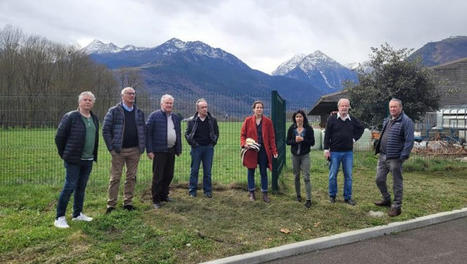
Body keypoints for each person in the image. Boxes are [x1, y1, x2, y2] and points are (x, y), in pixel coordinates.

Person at [54, 91, 98, 228]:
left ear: (93, 103)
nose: (87, 102)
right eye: (85, 99)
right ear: (79, 102)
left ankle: (77, 214)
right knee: (69, 186)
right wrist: (65, 154)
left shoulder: (94, 118)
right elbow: (59, 137)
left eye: (90, 100)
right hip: (73, 160)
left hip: (88, 159)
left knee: (81, 187)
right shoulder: (71, 116)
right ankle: (59, 217)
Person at [102, 87, 146, 214]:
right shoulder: (114, 111)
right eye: (129, 94)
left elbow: (143, 130)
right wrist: (111, 148)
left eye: (133, 94)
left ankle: (128, 203)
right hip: (118, 151)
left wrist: (141, 147)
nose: (132, 96)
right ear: (122, 96)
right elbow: (105, 130)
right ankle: (111, 205)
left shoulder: (139, 112)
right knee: (115, 177)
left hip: (134, 150)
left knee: (131, 177)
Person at [374, 98, 414, 217]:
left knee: (397, 182)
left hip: (395, 158)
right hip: (383, 156)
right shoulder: (388, 120)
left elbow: (409, 141)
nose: (392, 109)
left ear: (400, 108)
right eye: (391, 107)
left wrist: (403, 156)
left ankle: (397, 206)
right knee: (379, 179)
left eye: (395, 107)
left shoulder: (406, 121)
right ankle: (386, 199)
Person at [323, 98, 364, 206]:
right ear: (338, 107)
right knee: (332, 175)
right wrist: (326, 149)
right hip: (335, 152)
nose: (344, 108)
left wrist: (354, 138)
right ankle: (332, 195)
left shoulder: (352, 120)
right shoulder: (332, 119)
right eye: (342, 106)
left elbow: (361, 128)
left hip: (348, 153)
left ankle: (347, 197)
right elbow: (327, 135)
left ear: (349, 107)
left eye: (346, 106)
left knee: (348, 176)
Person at [146, 94, 182, 209]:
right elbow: (148, 134)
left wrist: (178, 148)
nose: (169, 105)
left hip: (171, 150)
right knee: (158, 176)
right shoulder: (154, 116)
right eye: (167, 103)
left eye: (171, 103)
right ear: (161, 104)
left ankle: (164, 195)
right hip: (159, 151)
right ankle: (156, 199)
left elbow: (178, 134)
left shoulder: (175, 117)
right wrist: (149, 150)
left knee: (169, 174)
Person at [240, 100, 278, 203]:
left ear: (263, 109)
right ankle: (251, 193)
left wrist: (274, 150)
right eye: (257, 107)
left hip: (263, 151)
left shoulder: (268, 122)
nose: (259, 109)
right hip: (251, 150)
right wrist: (244, 144)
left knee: (263, 172)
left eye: (261, 107)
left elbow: (272, 138)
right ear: (253, 109)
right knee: (250, 171)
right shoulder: (247, 121)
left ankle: (265, 193)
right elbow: (243, 135)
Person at [185, 98, 219, 198]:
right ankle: (192, 191)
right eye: (202, 107)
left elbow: (216, 133)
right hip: (196, 149)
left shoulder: (212, 120)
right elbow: (187, 134)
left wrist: (213, 143)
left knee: (207, 171)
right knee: (194, 170)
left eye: (206, 107)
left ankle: (207, 191)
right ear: (198, 109)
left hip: (208, 148)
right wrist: (193, 144)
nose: (205, 109)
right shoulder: (192, 121)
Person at [286, 110, 315, 208]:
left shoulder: (308, 128)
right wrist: (295, 140)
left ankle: (308, 199)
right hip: (295, 156)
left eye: (300, 116)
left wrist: (303, 140)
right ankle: (298, 195)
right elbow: (287, 142)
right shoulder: (291, 128)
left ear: (303, 118)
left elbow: (312, 142)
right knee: (296, 176)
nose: (299, 118)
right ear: (294, 118)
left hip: (305, 155)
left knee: (306, 177)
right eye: (297, 117)